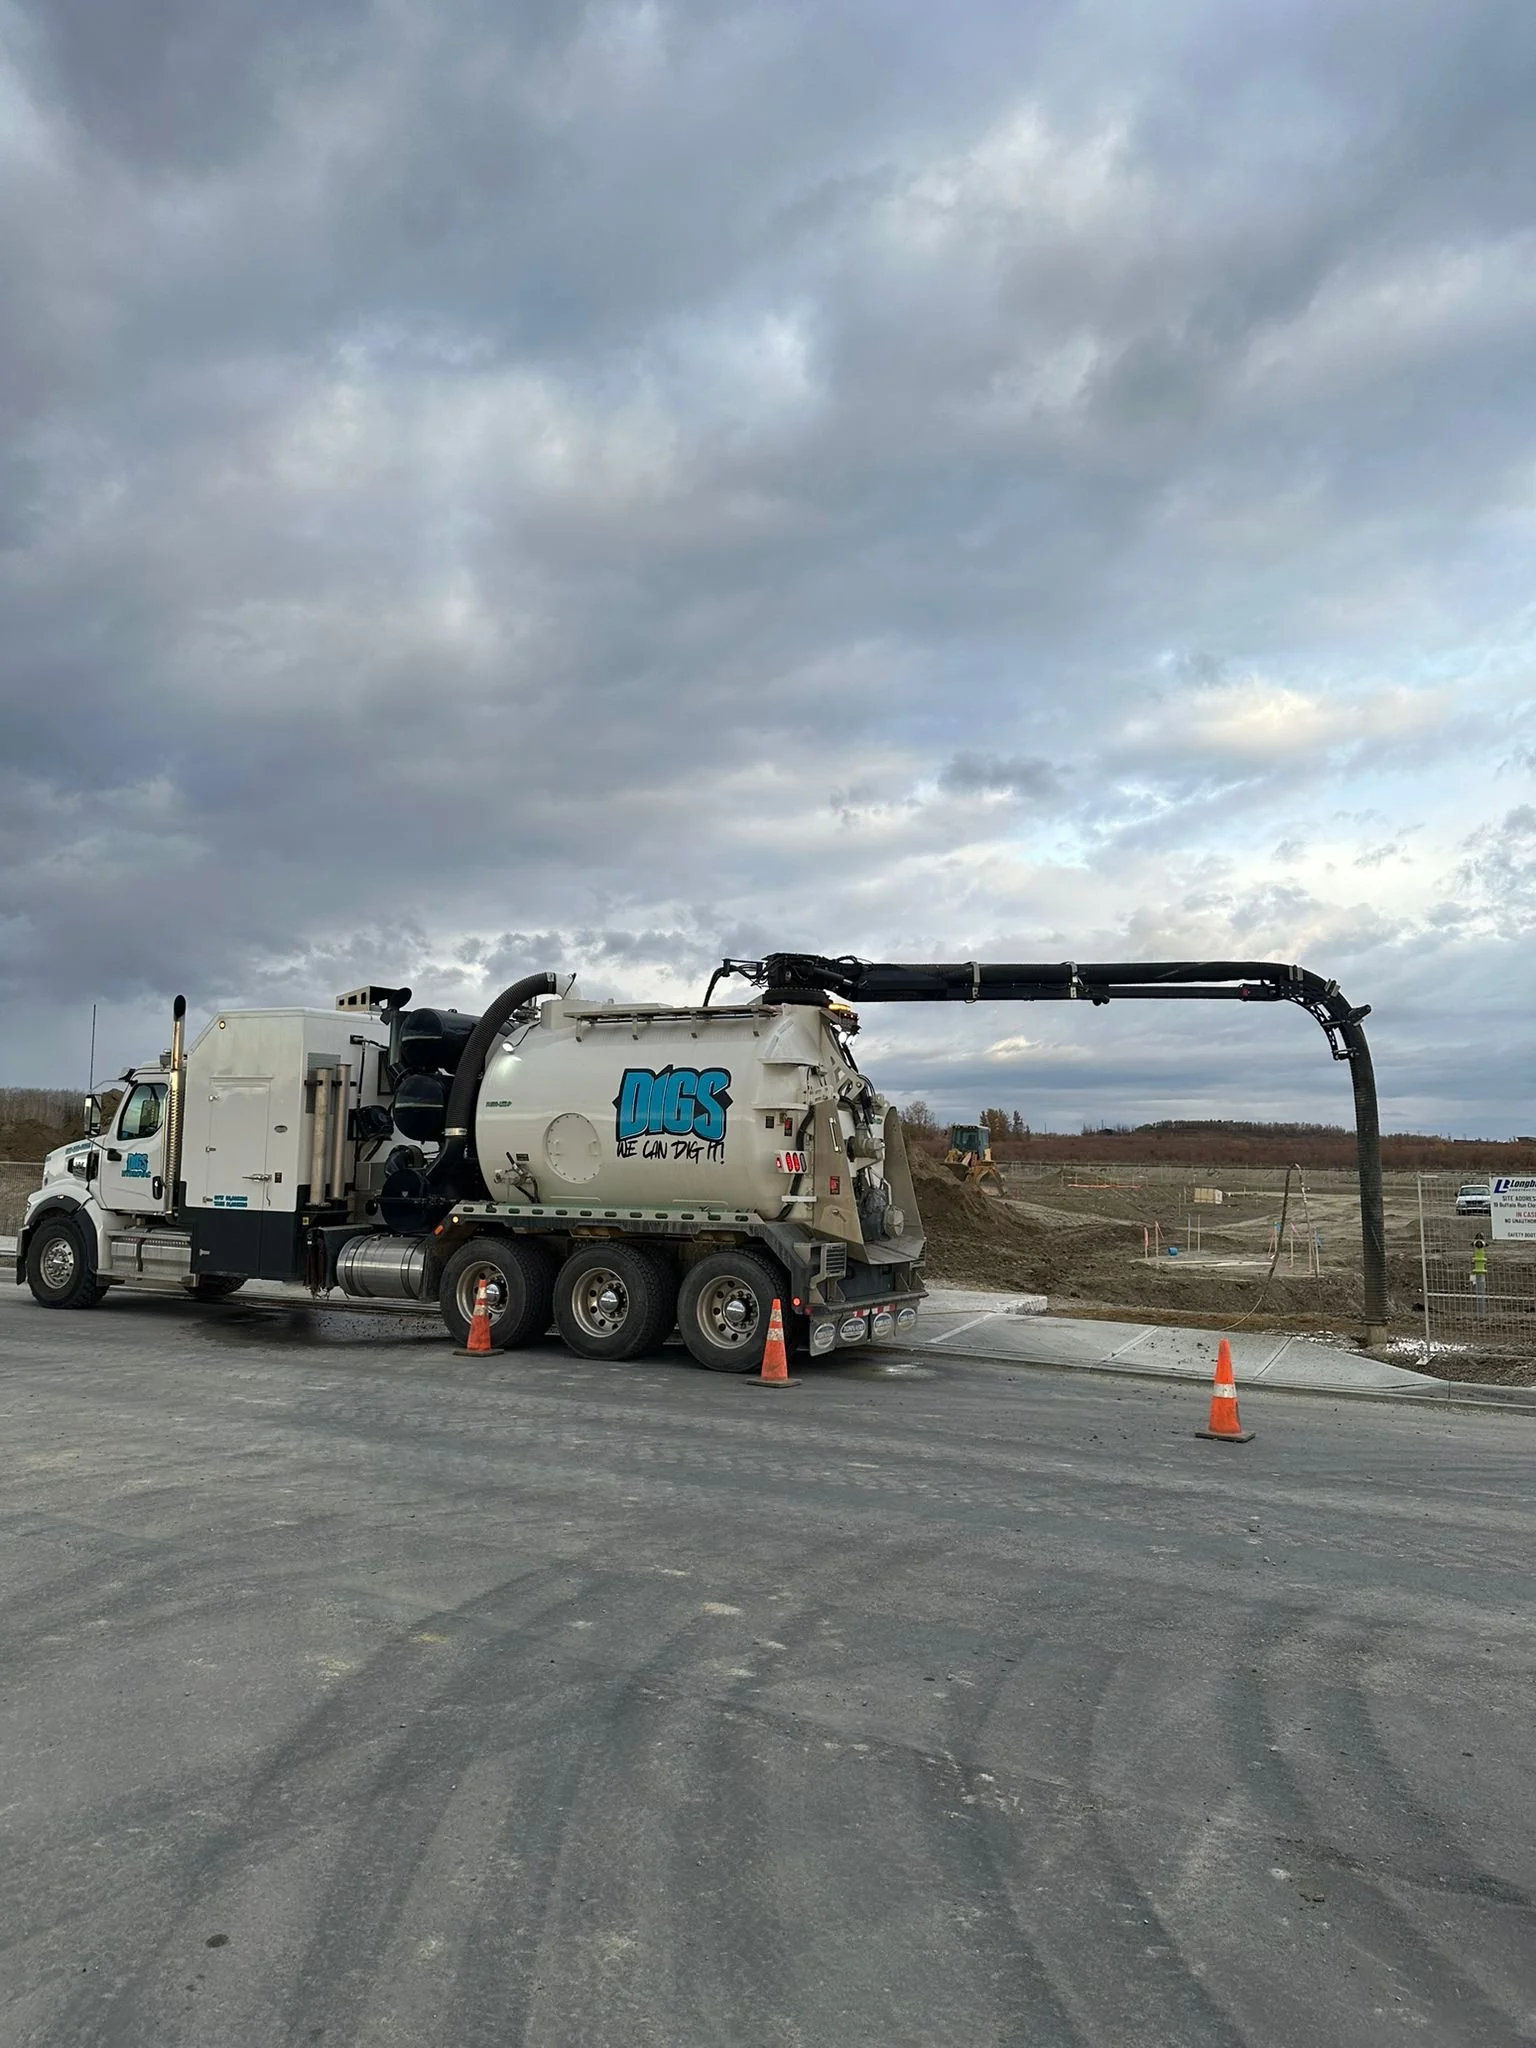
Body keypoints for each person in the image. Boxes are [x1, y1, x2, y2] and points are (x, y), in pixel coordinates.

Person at [1471, 1235, 1489, 1317]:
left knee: (1478, 1277)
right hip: (1478, 1265)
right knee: (1478, 1278)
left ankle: (1481, 1312)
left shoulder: (1477, 1244)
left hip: (1479, 1265)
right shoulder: (1480, 1244)